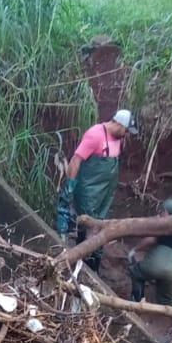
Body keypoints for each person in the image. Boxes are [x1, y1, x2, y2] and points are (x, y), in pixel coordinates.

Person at [55, 108, 134, 274]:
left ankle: (92, 265)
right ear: (119, 124)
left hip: (105, 192)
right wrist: (70, 186)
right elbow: (76, 161)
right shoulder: (95, 134)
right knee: (88, 225)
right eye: (126, 130)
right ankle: (83, 265)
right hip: (89, 191)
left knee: (99, 223)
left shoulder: (118, 139)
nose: (127, 134)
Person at [128, 198, 172, 308]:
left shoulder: (164, 225)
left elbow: (151, 240)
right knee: (169, 300)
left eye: (163, 212)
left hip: (157, 264)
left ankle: (137, 304)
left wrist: (135, 250)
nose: (160, 214)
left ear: (167, 213)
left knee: (135, 272)